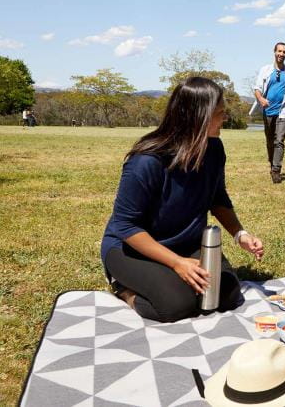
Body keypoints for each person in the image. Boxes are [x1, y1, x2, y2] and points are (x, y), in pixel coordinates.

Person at [101, 77, 264, 323]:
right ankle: (124, 289)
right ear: (199, 116)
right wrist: (177, 264)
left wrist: (240, 234)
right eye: (220, 113)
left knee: (226, 294)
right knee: (176, 305)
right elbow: (126, 227)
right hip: (130, 249)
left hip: (185, 243)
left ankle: (171, 276)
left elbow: (217, 197)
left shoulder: (214, 149)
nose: (225, 118)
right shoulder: (146, 161)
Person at [249, 42, 285, 184]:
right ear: (274, 52)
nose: (281, 54)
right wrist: (261, 99)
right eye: (279, 51)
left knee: (279, 141)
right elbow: (257, 88)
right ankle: (272, 164)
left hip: (284, 110)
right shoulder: (265, 70)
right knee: (270, 141)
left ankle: (276, 170)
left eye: (284, 52)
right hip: (268, 110)